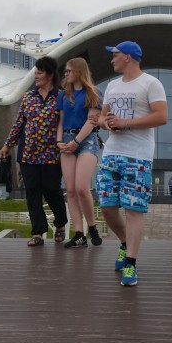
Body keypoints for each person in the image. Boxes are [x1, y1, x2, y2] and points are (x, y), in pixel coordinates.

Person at [97, 41, 168, 286]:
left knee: (133, 209)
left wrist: (126, 123)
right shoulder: (112, 86)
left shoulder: (150, 83)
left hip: (138, 155)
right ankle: (126, 242)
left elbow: (161, 116)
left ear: (127, 57)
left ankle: (131, 263)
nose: (111, 59)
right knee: (107, 207)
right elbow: (101, 117)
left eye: (114, 55)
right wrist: (107, 124)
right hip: (112, 152)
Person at [0, 56, 68, 247]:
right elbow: (19, 123)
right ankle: (38, 232)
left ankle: (61, 223)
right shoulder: (28, 97)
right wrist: (7, 144)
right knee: (32, 192)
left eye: (39, 72)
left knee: (52, 189)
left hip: (52, 154)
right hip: (29, 153)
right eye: (35, 73)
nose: (36, 76)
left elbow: (70, 123)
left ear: (50, 74)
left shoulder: (62, 96)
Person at [56, 57, 103, 248]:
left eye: (68, 71)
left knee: (82, 187)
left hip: (86, 140)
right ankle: (79, 233)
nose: (65, 74)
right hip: (67, 141)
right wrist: (59, 142)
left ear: (78, 71)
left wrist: (76, 142)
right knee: (71, 190)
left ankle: (91, 227)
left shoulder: (94, 93)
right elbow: (60, 120)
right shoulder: (63, 95)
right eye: (65, 72)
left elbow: (92, 121)